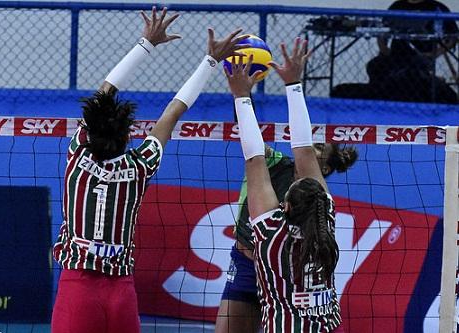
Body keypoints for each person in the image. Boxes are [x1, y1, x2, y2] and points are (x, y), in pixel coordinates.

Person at [51, 6, 250, 333]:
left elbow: (104, 92)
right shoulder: (139, 164)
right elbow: (173, 111)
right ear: (128, 134)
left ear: (90, 128)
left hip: (78, 288)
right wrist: (210, 61)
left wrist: (145, 43)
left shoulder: (78, 155)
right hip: (120, 291)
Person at [224, 37, 344, 332]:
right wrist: (293, 85)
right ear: (323, 201)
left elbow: (256, 156)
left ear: (285, 207)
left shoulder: (270, 235)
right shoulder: (325, 224)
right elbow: (302, 150)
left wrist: (242, 95)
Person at [215, 142, 357, 333]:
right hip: (247, 267)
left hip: (286, 279)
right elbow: (253, 146)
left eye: (320, 147)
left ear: (325, 168)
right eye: (312, 142)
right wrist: (242, 111)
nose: (310, 147)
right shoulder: (276, 163)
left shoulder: (321, 202)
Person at [366, 0, 458, 103]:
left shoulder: (437, 7)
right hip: (396, 56)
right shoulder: (397, 6)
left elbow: (453, 36)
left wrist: (434, 54)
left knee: (410, 76)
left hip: (420, 58)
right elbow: (382, 31)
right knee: (374, 66)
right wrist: (384, 49)